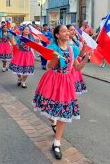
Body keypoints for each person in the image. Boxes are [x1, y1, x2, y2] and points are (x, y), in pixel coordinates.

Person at [32, 25, 92, 160]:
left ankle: (57, 142)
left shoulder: (73, 49)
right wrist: (55, 58)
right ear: (57, 35)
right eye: (63, 31)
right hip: (52, 80)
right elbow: (48, 66)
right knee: (50, 109)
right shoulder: (52, 48)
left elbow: (77, 67)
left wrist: (86, 57)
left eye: (67, 31)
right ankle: (52, 123)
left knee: (63, 113)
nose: (67, 33)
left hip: (66, 82)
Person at [67, 24, 87, 94]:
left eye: (74, 30)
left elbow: (80, 54)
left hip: (75, 65)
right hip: (67, 66)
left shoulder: (75, 42)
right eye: (71, 30)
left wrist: (84, 47)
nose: (73, 31)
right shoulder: (64, 42)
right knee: (67, 86)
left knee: (73, 87)